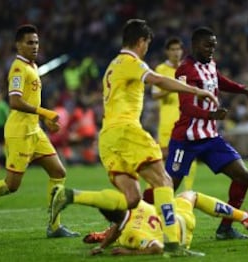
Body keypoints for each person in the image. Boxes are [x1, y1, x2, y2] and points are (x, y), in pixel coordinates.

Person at [49, 19, 218, 256]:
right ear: (141, 41)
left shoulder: (111, 66)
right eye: (147, 44)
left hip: (108, 137)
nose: (147, 49)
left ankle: (71, 195)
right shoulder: (130, 62)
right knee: (164, 182)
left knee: (132, 199)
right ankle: (173, 245)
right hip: (127, 130)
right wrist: (197, 90)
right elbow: (158, 80)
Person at [164, 27, 248, 240]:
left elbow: (219, 80)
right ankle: (135, 220)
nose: (212, 49)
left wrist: (245, 90)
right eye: (207, 45)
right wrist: (211, 115)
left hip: (210, 138)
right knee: (166, 189)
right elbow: (185, 106)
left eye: (214, 45)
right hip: (185, 139)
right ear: (195, 45)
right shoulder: (185, 70)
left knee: (243, 176)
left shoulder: (210, 64)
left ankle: (225, 228)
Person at [0, 24, 79, 238]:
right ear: (18, 45)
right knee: (11, 185)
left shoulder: (32, 66)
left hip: (35, 131)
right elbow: (15, 101)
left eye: (36, 42)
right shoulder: (18, 68)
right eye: (29, 42)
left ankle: (54, 227)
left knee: (58, 172)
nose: (34, 46)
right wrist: (45, 112)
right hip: (20, 132)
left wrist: (44, 119)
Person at [82, 190, 248, 256]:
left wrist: (127, 252)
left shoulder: (132, 234)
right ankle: (245, 217)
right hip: (178, 221)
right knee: (192, 195)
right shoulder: (137, 204)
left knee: (123, 236)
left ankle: (102, 235)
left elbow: (157, 248)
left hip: (177, 233)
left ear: (108, 218)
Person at [151, 37, 197, 191]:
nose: (176, 52)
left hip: (186, 118)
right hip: (167, 120)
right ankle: (160, 188)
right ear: (167, 52)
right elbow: (155, 94)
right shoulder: (160, 69)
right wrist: (173, 87)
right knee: (164, 156)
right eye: (173, 49)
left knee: (190, 152)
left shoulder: (188, 68)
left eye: (178, 49)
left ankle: (187, 191)